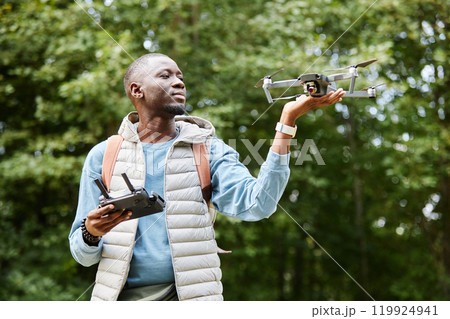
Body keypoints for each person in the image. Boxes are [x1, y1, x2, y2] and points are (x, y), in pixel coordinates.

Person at [69, 53, 345, 301]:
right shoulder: (105, 155)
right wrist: (90, 233)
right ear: (136, 90)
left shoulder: (208, 150)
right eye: (165, 76)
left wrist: (287, 121)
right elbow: (82, 256)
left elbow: (260, 204)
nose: (178, 82)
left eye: (180, 77)